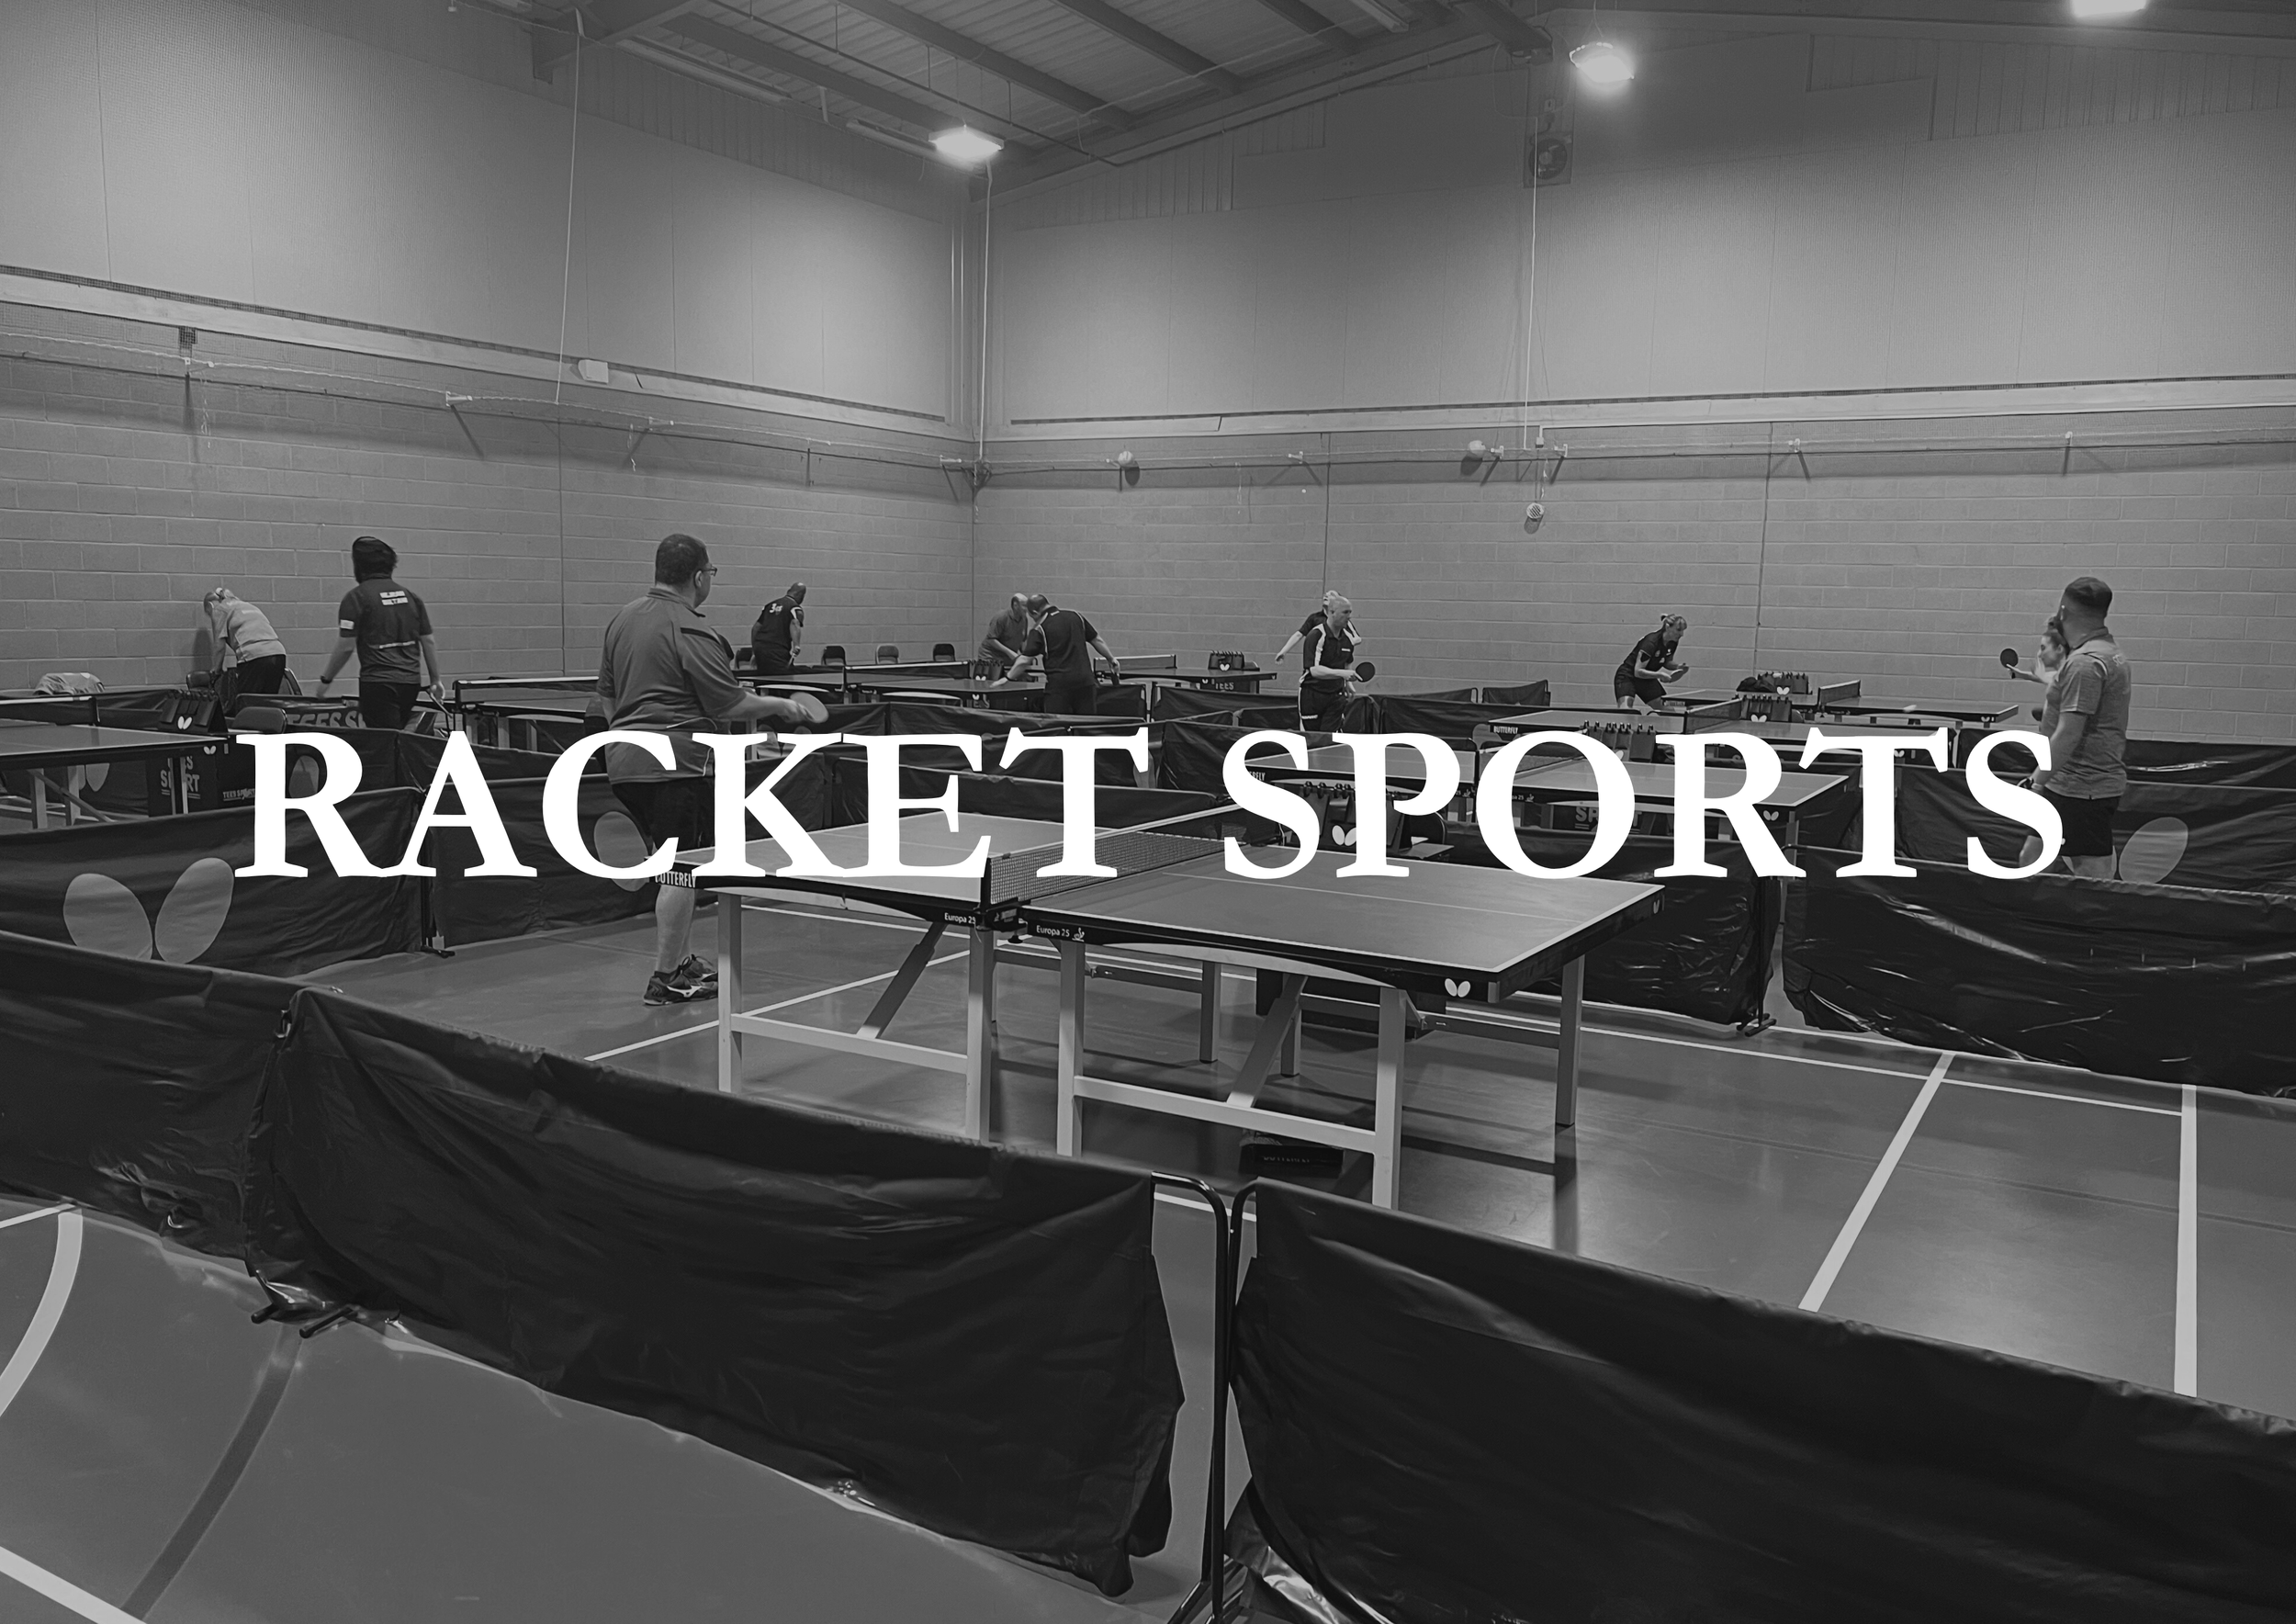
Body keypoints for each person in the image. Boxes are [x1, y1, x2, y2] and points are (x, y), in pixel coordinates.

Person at [592, 535, 828, 1005]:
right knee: (682, 870)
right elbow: (731, 702)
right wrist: (784, 705)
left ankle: (681, 961)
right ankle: (665, 978)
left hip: (624, 760)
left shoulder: (622, 618)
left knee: (673, 865)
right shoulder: (689, 628)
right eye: (712, 573)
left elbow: (606, 692)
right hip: (676, 765)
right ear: (699, 577)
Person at [2029, 577, 2132, 880]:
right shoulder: (2110, 652)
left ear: (2063, 610)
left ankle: (2095, 927)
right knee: (2032, 860)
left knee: (2092, 874)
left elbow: (2069, 732)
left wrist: (2036, 781)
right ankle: (2018, 921)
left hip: (2080, 787)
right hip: (2068, 782)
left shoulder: (2086, 663)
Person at [316, 536, 446, 729]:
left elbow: (345, 647)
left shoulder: (357, 598)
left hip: (379, 684)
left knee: (383, 744)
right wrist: (435, 680)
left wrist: (325, 680)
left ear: (359, 566)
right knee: (397, 738)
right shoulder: (411, 597)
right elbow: (428, 641)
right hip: (410, 683)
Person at [1005, 592, 1117, 716]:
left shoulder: (1039, 629)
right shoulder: (1076, 616)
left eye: (1032, 617)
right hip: (1086, 683)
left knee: (1057, 729)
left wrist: (1007, 678)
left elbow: (1025, 660)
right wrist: (1111, 659)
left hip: (1059, 687)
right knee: (1086, 727)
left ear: (1035, 613)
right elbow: (1097, 640)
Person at [201, 587, 288, 696]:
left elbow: (219, 647)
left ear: (210, 605)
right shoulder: (246, 606)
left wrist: (216, 673)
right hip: (278, 654)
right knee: (267, 703)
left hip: (255, 657)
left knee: (245, 703)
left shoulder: (219, 609)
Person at [1299, 597, 1361, 732]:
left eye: (1350, 612)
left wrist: (1348, 684)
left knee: (1330, 738)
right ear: (1332, 612)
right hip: (1312, 695)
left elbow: (1347, 662)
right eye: (1345, 612)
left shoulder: (1348, 638)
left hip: (1336, 695)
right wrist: (1342, 674)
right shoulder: (1316, 635)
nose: (1349, 617)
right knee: (1313, 738)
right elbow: (1314, 670)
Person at [1613, 615, 1690, 711]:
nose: (1682, 634)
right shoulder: (1650, 642)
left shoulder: (1673, 642)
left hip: (1646, 678)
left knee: (1668, 710)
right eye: (1679, 630)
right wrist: (1660, 675)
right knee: (1626, 710)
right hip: (1628, 676)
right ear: (1667, 627)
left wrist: (1678, 667)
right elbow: (1638, 671)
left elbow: (1666, 662)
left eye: (1683, 630)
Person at [2006, 617, 2069, 724]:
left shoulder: (2073, 675)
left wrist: (2042, 677)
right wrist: (2022, 675)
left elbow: (2063, 683)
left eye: (2043, 648)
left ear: (2059, 649)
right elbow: (2053, 677)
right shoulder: (2063, 674)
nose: (2039, 654)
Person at [751, 581, 806, 675]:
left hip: (760, 648)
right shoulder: (794, 608)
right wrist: (796, 645)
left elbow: (755, 628)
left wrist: (754, 651)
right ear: (799, 595)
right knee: (784, 679)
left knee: (765, 678)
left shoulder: (769, 606)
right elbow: (794, 623)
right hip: (777, 650)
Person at [978, 592, 1031, 673]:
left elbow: (1022, 640)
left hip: (1008, 659)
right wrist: (1010, 653)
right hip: (990, 657)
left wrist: (1026, 655)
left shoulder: (1024, 620)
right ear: (1015, 605)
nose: (1027, 609)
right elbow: (991, 639)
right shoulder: (1001, 617)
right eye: (1024, 606)